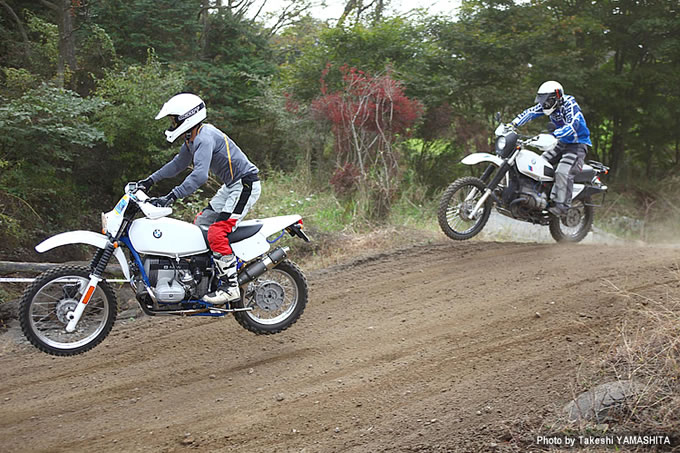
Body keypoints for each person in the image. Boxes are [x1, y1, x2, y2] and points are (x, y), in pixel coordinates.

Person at [138, 93, 261, 305]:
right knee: (200, 224)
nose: (172, 123)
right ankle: (205, 277)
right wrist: (150, 180)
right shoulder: (191, 138)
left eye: (174, 119)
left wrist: (171, 196)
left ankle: (230, 286)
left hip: (245, 185)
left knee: (217, 231)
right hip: (232, 186)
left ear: (187, 117)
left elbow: (200, 175)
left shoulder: (204, 137)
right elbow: (177, 165)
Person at [511, 81, 591, 217]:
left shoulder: (570, 105)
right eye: (543, 100)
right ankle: (539, 197)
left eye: (547, 100)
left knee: (562, 171)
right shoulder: (549, 105)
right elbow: (531, 112)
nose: (544, 104)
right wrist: (512, 124)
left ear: (556, 97)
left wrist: (554, 134)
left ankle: (562, 206)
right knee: (538, 165)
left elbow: (573, 125)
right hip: (560, 143)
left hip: (577, 145)